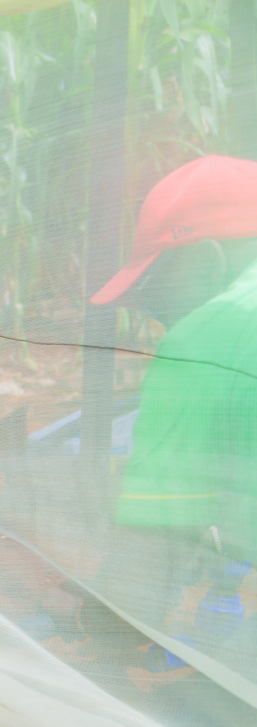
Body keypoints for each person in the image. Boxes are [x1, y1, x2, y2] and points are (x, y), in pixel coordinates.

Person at [90, 155, 257, 661]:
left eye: (155, 288)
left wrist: (91, 623)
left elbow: (148, 562)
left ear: (209, 261)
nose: (153, 313)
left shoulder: (208, 335)